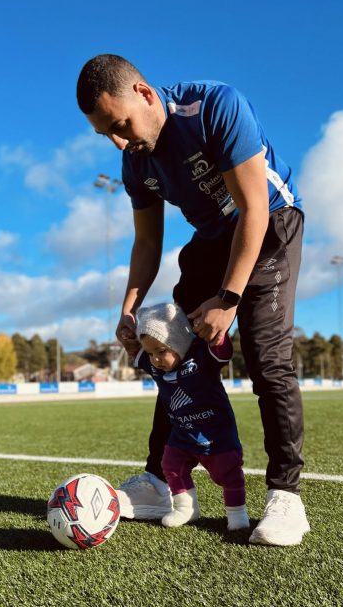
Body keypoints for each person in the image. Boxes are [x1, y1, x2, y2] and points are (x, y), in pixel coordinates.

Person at [76, 54, 310, 546]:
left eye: (121, 125)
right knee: (170, 351)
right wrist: (129, 310)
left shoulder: (215, 107)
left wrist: (228, 299)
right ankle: (162, 482)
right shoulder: (135, 161)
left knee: (267, 359)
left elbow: (252, 210)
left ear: (143, 93)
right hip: (209, 241)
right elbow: (146, 243)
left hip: (270, 224)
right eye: (107, 135)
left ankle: (286, 496)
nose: (121, 141)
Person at [134, 301, 249, 531]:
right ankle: (186, 508)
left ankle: (237, 514)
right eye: (150, 353)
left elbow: (222, 350)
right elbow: (136, 354)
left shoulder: (201, 358)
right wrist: (130, 335)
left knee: (227, 473)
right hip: (181, 436)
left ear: (179, 342)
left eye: (161, 351)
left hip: (216, 435)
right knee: (171, 465)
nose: (154, 359)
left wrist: (219, 332)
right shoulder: (156, 367)